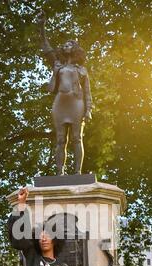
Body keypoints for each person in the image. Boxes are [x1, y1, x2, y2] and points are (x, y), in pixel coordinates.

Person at [37, 10, 92, 175]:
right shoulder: (57, 64)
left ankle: (77, 173)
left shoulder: (82, 70)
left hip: (76, 103)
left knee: (77, 138)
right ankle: (60, 172)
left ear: (75, 49)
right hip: (60, 103)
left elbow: (88, 92)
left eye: (69, 45)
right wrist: (41, 27)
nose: (65, 46)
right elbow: (46, 47)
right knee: (60, 140)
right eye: (64, 45)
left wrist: (88, 110)